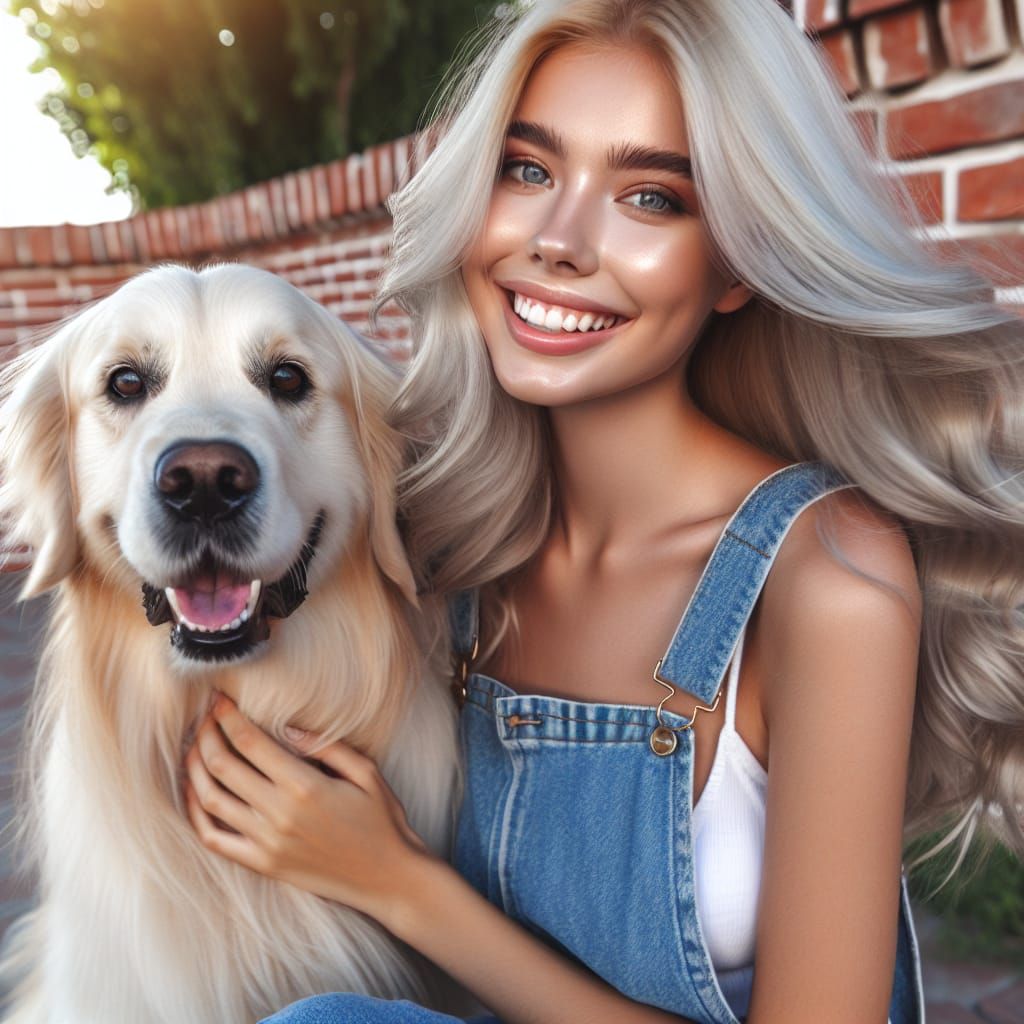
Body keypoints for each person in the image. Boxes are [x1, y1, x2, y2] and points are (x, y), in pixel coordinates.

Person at [182, 1, 1024, 1021]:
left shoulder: (826, 576)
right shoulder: (448, 546)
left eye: (651, 197)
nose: (560, 241)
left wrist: (400, 883)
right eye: (528, 171)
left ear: (735, 261)